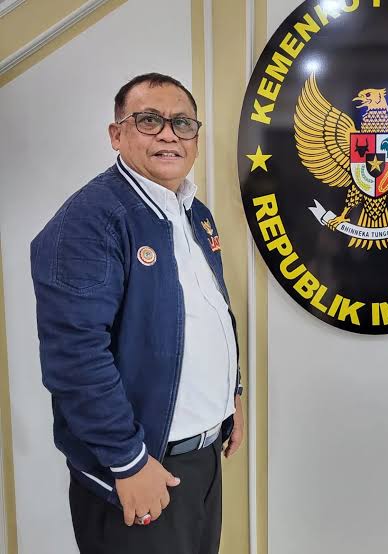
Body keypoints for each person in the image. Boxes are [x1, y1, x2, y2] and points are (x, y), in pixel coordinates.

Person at [30, 72, 244, 554]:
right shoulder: (88, 222)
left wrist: (232, 395)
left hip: (202, 459)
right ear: (116, 134)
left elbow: (214, 312)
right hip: (142, 469)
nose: (169, 134)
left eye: (182, 123)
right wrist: (128, 461)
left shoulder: (194, 212)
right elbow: (75, 359)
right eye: (149, 120)